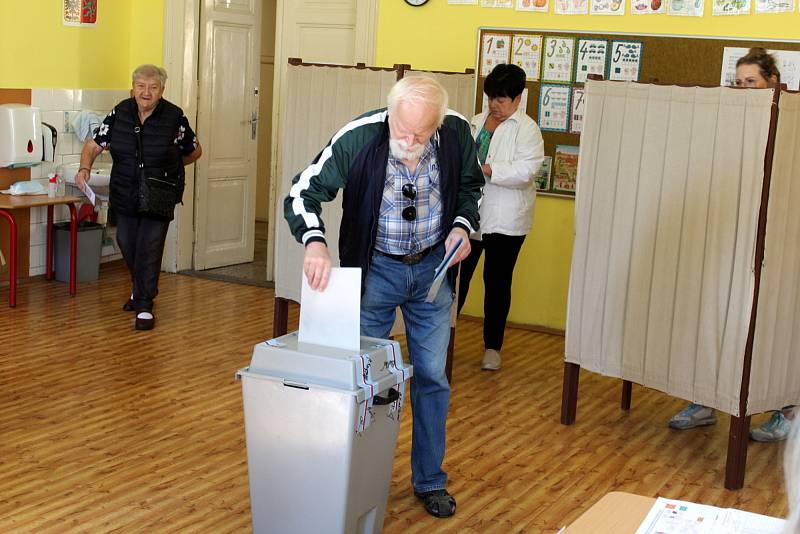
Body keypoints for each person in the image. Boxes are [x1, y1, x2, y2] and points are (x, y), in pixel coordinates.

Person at [284, 75, 483, 518]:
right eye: (402, 130)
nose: (410, 142)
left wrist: (461, 227)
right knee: (365, 379)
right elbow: (302, 192)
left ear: (437, 125)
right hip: (376, 270)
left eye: (421, 134)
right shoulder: (359, 137)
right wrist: (315, 242)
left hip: (433, 269)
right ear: (390, 113)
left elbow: (471, 189)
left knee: (432, 377)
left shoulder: (454, 134)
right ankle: (356, 477)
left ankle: (430, 481)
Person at [670, 48, 794, 442]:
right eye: (738, 83)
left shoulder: (790, 124)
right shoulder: (727, 124)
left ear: (772, 82)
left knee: (774, 331)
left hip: (778, 249)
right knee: (714, 322)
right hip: (728, 243)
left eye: (751, 82)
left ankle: (786, 409)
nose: (744, 90)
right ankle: (704, 400)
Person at [76, 64, 202, 331]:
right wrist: (84, 168)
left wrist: (170, 168)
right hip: (125, 190)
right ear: (133, 89)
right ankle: (140, 288)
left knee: (150, 246)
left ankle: (144, 305)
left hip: (159, 192)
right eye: (141, 87)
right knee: (126, 241)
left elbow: (194, 150)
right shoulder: (120, 112)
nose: (146, 92)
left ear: (162, 91)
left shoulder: (174, 117)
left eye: (153, 87)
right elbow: (93, 145)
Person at [456, 64, 544, 371]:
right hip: (470, 215)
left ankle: (492, 347)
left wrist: (489, 170)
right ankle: (443, 337)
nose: (495, 104)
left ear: (518, 99)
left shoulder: (528, 129)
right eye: (492, 97)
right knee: (457, 280)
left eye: (503, 99)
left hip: (507, 220)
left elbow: (527, 171)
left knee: (496, 282)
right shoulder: (476, 122)